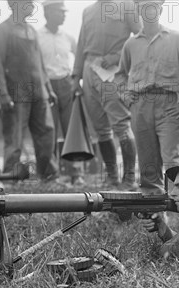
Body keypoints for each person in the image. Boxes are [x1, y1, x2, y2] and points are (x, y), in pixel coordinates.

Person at [116, 0, 179, 194]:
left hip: (168, 104)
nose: (148, 11)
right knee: (147, 162)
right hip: (140, 105)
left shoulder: (176, 39)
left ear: (160, 9)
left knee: (172, 159)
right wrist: (126, 97)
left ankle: (178, 206)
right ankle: (155, 214)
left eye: (153, 6)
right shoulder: (131, 44)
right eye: (144, 7)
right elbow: (120, 75)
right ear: (138, 10)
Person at [72, 0, 140, 190]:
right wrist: (76, 76)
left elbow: (140, 37)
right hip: (89, 69)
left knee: (121, 124)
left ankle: (129, 179)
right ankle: (111, 177)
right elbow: (81, 44)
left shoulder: (127, 6)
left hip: (113, 71)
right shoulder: (88, 11)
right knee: (101, 129)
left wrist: (116, 58)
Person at [0, 0, 59, 181]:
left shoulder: (32, 30)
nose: (32, 6)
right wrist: (3, 94)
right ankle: (10, 177)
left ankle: (48, 175)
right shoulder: (3, 30)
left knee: (47, 133)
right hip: (16, 95)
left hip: (39, 93)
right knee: (14, 139)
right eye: (27, 2)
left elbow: (40, 64)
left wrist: (48, 88)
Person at [37, 0, 85, 187]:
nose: (63, 15)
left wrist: (75, 80)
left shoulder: (67, 37)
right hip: (47, 85)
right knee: (49, 131)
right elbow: (37, 64)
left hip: (67, 83)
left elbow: (79, 56)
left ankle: (76, 173)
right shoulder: (38, 36)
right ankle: (52, 174)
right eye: (59, 12)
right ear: (48, 12)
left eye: (64, 12)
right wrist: (44, 86)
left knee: (72, 130)